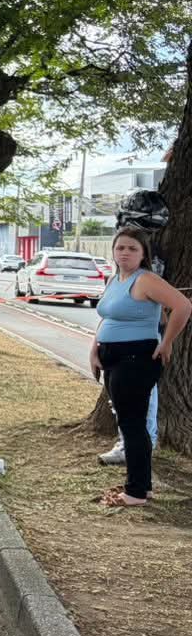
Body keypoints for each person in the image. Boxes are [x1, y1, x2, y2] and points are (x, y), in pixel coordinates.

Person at [88, 226, 189, 506]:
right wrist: (94, 349)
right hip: (112, 358)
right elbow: (108, 317)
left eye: (132, 248)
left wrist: (167, 342)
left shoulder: (146, 280)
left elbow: (183, 306)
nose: (125, 253)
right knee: (130, 422)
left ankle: (135, 493)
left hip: (136, 359)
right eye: (120, 247)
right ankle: (143, 486)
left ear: (143, 254)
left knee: (132, 424)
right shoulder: (114, 279)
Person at [99, 190, 171, 466]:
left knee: (142, 397)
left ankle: (138, 445)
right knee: (127, 398)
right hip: (123, 338)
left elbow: (165, 307)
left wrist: (165, 339)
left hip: (142, 338)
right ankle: (133, 443)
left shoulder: (149, 260)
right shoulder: (135, 252)